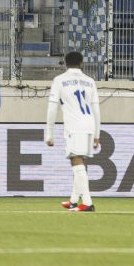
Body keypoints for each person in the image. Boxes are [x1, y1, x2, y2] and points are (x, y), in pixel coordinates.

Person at [44, 50, 101, 213]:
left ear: (65, 64)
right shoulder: (90, 81)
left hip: (75, 125)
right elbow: (96, 109)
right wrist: (97, 133)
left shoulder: (59, 80)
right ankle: (74, 201)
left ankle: (88, 203)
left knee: (76, 160)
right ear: (82, 64)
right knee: (78, 160)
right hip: (89, 124)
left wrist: (49, 133)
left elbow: (52, 108)